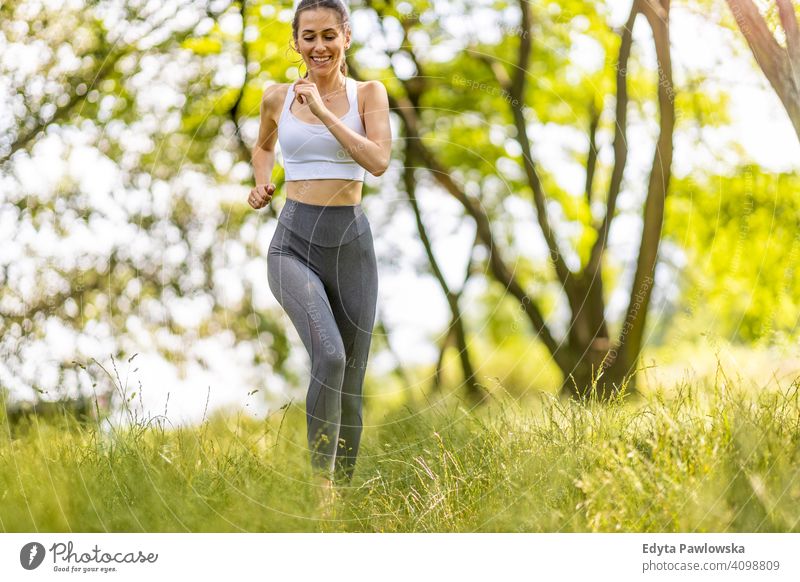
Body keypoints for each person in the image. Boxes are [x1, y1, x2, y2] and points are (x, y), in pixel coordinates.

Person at [248, 0, 392, 512]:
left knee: (351, 381)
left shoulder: (368, 94)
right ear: (296, 43)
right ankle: (320, 488)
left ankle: (347, 505)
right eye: (308, 37)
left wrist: (326, 112)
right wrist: (262, 182)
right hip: (293, 243)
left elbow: (377, 161)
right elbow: (263, 147)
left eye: (329, 35)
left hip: (351, 244)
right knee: (328, 355)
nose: (319, 46)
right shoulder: (275, 97)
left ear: (347, 37)